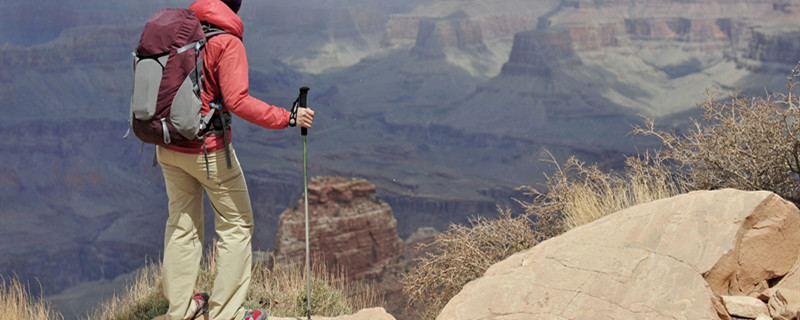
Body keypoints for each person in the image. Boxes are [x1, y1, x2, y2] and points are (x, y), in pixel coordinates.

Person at [157, 0, 314, 319]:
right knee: (237, 224)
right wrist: (288, 117)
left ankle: (180, 310)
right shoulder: (226, 40)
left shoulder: (178, 30)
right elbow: (237, 100)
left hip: (166, 143)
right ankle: (225, 313)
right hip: (207, 150)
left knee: (181, 223)